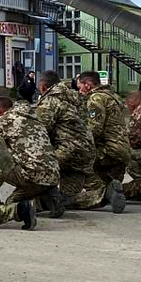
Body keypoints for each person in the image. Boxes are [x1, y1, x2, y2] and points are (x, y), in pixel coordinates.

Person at [34, 71, 102, 209]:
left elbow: (40, 131)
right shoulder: (76, 97)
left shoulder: (50, 101)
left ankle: (41, 204)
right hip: (86, 151)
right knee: (68, 198)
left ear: (43, 87)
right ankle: (104, 195)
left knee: (35, 168)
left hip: (66, 150)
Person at [0, 96, 64, 218]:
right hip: (53, 172)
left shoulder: (3, 121)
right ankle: (49, 193)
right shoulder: (33, 117)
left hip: (32, 176)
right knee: (34, 170)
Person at [76, 71, 130, 213]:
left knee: (77, 159)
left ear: (87, 85)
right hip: (122, 149)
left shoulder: (96, 99)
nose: (79, 90)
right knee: (110, 180)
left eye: (79, 86)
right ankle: (112, 189)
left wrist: (78, 144)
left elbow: (94, 129)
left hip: (109, 149)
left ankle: (102, 194)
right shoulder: (112, 95)